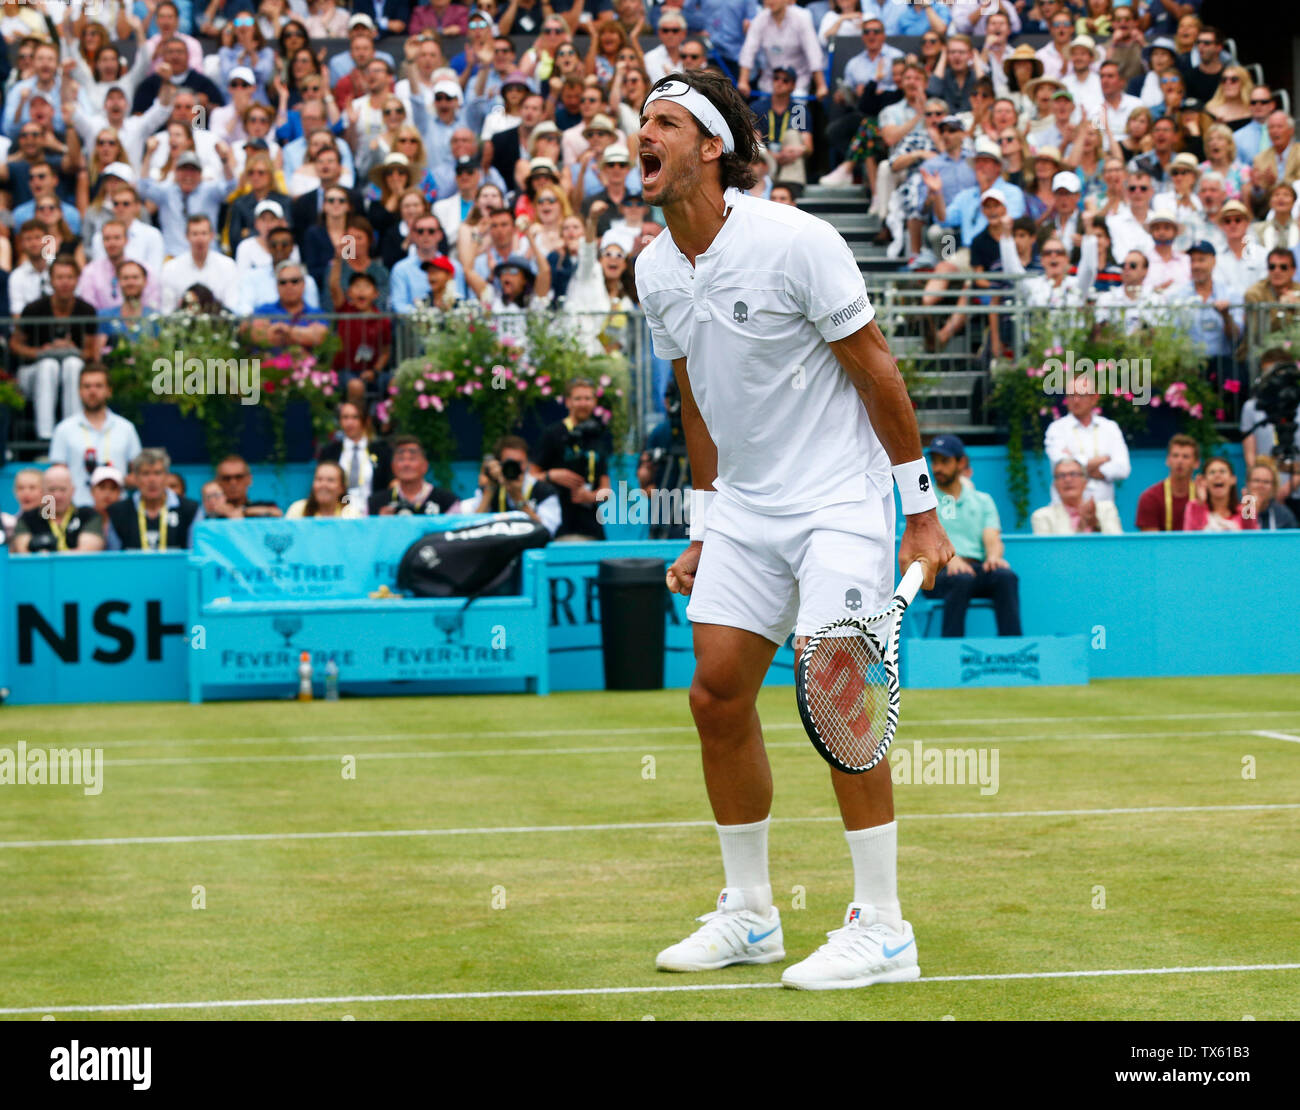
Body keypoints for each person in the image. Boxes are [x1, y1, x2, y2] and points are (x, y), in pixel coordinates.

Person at [635, 70, 952, 990]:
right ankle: (750, 916)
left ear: (710, 148)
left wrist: (920, 512)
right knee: (716, 694)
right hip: (744, 507)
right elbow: (696, 400)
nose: (641, 137)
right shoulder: (655, 267)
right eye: (638, 124)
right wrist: (702, 523)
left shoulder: (796, 241)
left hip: (837, 501)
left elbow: (877, 370)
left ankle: (885, 927)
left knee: (840, 690)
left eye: (663, 123)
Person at [921, 435, 1020, 638]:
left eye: (944, 461)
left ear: (961, 463)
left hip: (975, 569)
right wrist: (951, 560)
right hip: (937, 574)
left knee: (1005, 577)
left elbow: (992, 538)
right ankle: (951, 654)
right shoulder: (925, 500)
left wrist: (993, 557)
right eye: (935, 461)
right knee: (961, 578)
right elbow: (926, 541)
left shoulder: (983, 500)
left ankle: (1014, 653)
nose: (937, 468)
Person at [11, 257, 99, 442]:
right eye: (59, 277)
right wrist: (41, 352)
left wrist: (72, 349)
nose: (65, 282)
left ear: (77, 279)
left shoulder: (87, 310)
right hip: (35, 373)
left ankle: (73, 435)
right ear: (51, 280)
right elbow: (15, 344)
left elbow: (91, 352)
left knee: (72, 364)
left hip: (72, 372)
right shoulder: (33, 309)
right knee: (48, 365)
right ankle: (46, 437)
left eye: (69, 277)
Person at [47, 363, 142, 507]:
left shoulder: (126, 428)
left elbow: (139, 474)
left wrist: (114, 479)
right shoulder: (64, 429)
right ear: (79, 391)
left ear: (109, 390)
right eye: (87, 386)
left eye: (98, 386)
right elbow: (56, 479)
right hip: (78, 509)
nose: (92, 391)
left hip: (117, 510)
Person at [535, 377, 612, 541]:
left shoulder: (598, 436)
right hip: (559, 525)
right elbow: (531, 477)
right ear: (568, 402)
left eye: (588, 398)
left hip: (592, 527)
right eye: (578, 399)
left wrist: (590, 496)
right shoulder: (553, 433)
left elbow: (606, 490)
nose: (583, 403)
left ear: (594, 401)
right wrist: (552, 475)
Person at [1043, 375, 1132, 505]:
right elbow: (1061, 466)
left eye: (1081, 395)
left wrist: (1076, 467)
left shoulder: (1110, 427)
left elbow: (1122, 469)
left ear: (1094, 397)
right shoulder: (1056, 428)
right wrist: (1102, 460)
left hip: (1103, 511)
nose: (1076, 400)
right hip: (1066, 512)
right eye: (1071, 395)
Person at [107, 448, 202, 550]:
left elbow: (195, 554)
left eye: (157, 473)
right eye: (146, 473)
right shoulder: (118, 511)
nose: (152, 480)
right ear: (135, 478)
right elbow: (115, 559)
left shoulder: (190, 509)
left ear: (166, 476)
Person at [474, 435, 562, 536]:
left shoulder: (544, 491)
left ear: (528, 463)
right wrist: (490, 489)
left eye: (519, 463)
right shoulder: (490, 488)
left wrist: (518, 498)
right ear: (499, 464)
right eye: (509, 463)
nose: (514, 468)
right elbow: (473, 530)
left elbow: (548, 532)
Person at [9, 464, 105, 554]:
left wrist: (48, 557)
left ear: (72, 490)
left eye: (62, 489)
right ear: (42, 491)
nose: (57, 495)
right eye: (52, 489)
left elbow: (87, 552)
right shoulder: (28, 518)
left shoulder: (88, 515)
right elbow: (24, 552)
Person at [319, 400, 393, 508]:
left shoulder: (381, 451)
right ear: (340, 421)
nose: (349, 422)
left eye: (355, 417)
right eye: (345, 417)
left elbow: (388, 484)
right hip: (339, 510)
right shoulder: (329, 452)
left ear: (365, 420)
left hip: (373, 511)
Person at [162, 215, 241, 313]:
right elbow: (167, 310)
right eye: (195, 234)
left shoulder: (228, 266)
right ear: (187, 236)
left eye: (204, 233)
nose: (200, 239)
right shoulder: (171, 268)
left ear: (212, 235)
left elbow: (231, 305)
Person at [367, 435, 460, 516]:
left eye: (412, 459)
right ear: (393, 466)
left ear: (425, 466)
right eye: (401, 459)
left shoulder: (447, 502)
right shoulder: (375, 504)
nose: (406, 464)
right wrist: (380, 523)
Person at [1031, 459, 1122, 534]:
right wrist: (1081, 527)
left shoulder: (1106, 509)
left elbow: (1116, 545)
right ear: (1055, 485)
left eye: (1073, 474)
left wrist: (1095, 524)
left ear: (1085, 482)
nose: (1068, 480)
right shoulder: (1042, 516)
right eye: (1061, 475)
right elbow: (1047, 552)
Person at [1135, 434, 1201, 532]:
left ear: (1196, 463)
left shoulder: (1203, 496)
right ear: (1167, 460)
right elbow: (1151, 543)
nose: (1180, 461)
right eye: (1175, 456)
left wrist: (1203, 503)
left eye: (1185, 457)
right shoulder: (1150, 497)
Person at [1184, 456, 1259, 532]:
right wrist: (1200, 504)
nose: (1217, 475)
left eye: (1222, 471)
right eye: (1212, 472)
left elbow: (1253, 539)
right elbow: (1192, 539)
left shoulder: (1244, 510)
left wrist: (1249, 513)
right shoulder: (1193, 506)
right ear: (1204, 481)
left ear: (1233, 479)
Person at [286, 460, 365, 517]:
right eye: (319, 479)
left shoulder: (351, 514)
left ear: (342, 488)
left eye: (330, 480)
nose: (323, 485)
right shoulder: (298, 510)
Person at [213, 455, 283, 518]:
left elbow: (277, 513)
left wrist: (243, 511)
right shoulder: (209, 511)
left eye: (239, 477)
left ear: (249, 480)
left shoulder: (266, 506)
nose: (233, 483)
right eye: (226, 478)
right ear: (218, 482)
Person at [1245, 460, 1298, 530]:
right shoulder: (1236, 511)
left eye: (1266, 482)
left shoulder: (1283, 514)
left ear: (1273, 487)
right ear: (1247, 483)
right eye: (1256, 480)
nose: (1261, 486)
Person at [3, 468, 45, 544]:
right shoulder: (9, 523)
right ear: (15, 492)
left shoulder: (53, 522)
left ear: (44, 491)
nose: (26, 492)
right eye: (21, 488)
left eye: (32, 487)